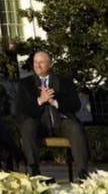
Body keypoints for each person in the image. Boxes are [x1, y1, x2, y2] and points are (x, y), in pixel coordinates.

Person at [17, 51, 89, 180]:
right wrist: (40, 100)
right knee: (27, 126)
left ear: (50, 64)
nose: (37, 65)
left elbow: (75, 105)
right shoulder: (25, 84)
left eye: (41, 62)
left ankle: (83, 174)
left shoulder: (64, 81)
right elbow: (21, 109)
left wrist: (55, 102)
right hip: (39, 124)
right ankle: (35, 173)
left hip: (61, 122)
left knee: (75, 127)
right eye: (35, 62)